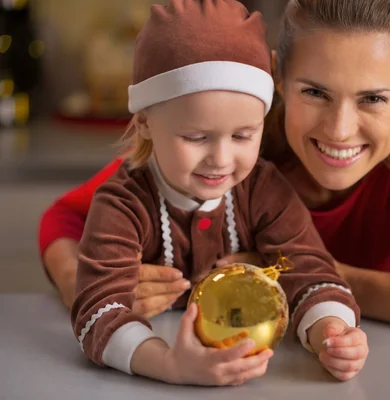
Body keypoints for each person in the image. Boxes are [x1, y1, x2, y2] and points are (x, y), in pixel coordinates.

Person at [40, 0, 390, 347]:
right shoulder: (233, 135)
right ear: (278, 77)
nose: (340, 130)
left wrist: (300, 275)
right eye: (314, 92)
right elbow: (64, 220)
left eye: (373, 98)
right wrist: (84, 286)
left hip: (383, 343)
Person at [69, 0, 368, 386]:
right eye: (196, 137)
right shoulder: (123, 204)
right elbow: (98, 310)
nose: (221, 159)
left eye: (243, 135)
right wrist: (170, 364)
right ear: (144, 122)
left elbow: (308, 270)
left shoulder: (264, 189)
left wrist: (331, 332)